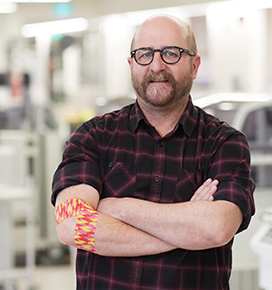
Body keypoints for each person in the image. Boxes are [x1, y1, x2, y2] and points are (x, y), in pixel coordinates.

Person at [51, 14, 255, 290]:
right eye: (144, 54)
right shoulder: (92, 136)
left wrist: (115, 207)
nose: (156, 66)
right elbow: (72, 226)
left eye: (171, 53)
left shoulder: (224, 143)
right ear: (131, 64)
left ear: (194, 65)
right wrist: (186, 230)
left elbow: (216, 228)